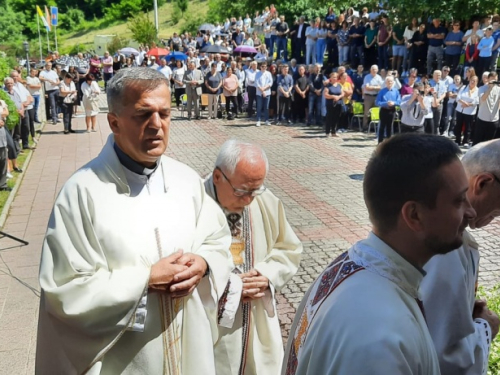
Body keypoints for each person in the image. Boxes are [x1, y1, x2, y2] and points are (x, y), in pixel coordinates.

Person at [36, 67, 233, 374]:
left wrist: (204, 262)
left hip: (189, 348)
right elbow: (64, 292)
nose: (157, 125)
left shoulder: (187, 180)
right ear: (113, 122)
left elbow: (217, 238)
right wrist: (145, 281)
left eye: (164, 114)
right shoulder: (81, 193)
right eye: (143, 114)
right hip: (127, 360)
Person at [283, 133, 476, 375]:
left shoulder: (353, 266)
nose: (470, 212)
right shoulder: (381, 336)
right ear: (414, 215)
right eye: (458, 201)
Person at [205, 139, 302, 375]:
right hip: (211, 325)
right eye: (241, 191)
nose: (249, 199)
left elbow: (289, 248)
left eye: (255, 190)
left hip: (257, 320)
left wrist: (267, 275)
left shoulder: (265, 200)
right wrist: (229, 288)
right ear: (218, 177)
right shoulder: (195, 204)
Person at [421, 139, 500, 375]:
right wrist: (487, 326)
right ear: (483, 182)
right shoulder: (446, 246)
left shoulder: (441, 227)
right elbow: (444, 357)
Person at [474, 72, 500, 145]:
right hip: (482, 118)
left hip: (494, 119)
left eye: (495, 79)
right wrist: (490, 88)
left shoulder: (499, 89)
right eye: (492, 79)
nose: (494, 81)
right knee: (478, 141)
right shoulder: (482, 88)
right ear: (488, 79)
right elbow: (483, 98)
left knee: (489, 142)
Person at [455, 75, 480, 147]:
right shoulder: (463, 87)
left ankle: (465, 141)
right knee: (458, 125)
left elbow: (477, 101)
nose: (472, 82)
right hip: (460, 110)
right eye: (471, 80)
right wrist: (464, 103)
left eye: (474, 81)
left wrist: (468, 104)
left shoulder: (478, 90)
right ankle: (457, 140)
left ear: (477, 82)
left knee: (468, 127)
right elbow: (458, 98)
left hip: (470, 112)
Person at [375, 75, 401, 143]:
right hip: (383, 110)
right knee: (382, 127)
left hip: (392, 111)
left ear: (393, 82)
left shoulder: (396, 91)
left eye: (391, 81)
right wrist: (386, 103)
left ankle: (388, 143)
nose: (390, 83)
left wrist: (393, 103)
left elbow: (399, 101)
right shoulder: (382, 91)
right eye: (388, 81)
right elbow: (377, 102)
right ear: (386, 82)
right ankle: (380, 142)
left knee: (389, 127)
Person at [362, 65, 384, 130]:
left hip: (376, 96)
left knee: (375, 112)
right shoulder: (367, 77)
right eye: (373, 69)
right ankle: (365, 127)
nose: (374, 71)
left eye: (375, 69)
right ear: (370, 70)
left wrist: (372, 87)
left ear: (377, 70)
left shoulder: (379, 77)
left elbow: (381, 87)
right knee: (366, 113)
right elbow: (367, 87)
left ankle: (373, 127)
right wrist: (376, 87)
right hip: (368, 96)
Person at [323, 72, 344, 138]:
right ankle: (327, 132)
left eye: (336, 77)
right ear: (331, 78)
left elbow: (343, 93)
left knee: (336, 118)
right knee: (329, 117)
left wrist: (339, 97)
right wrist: (333, 96)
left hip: (338, 103)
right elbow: (325, 95)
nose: (335, 78)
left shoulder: (339, 85)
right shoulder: (328, 86)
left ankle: (334, 132)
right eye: (333, 77)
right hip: (330, 104)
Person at [255, 62, 273, 127]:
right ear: (260, 67)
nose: (264, 68)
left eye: (265, 66)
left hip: (267, 93)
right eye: (262, 66)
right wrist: (262, 91)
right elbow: (257, 83)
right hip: (259, 93)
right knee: (259, 107)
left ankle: (266, 120)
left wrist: (264, 89)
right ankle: (258, 120)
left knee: (266, 107)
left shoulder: (269, 73)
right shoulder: (257, 74)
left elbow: (270, 83)